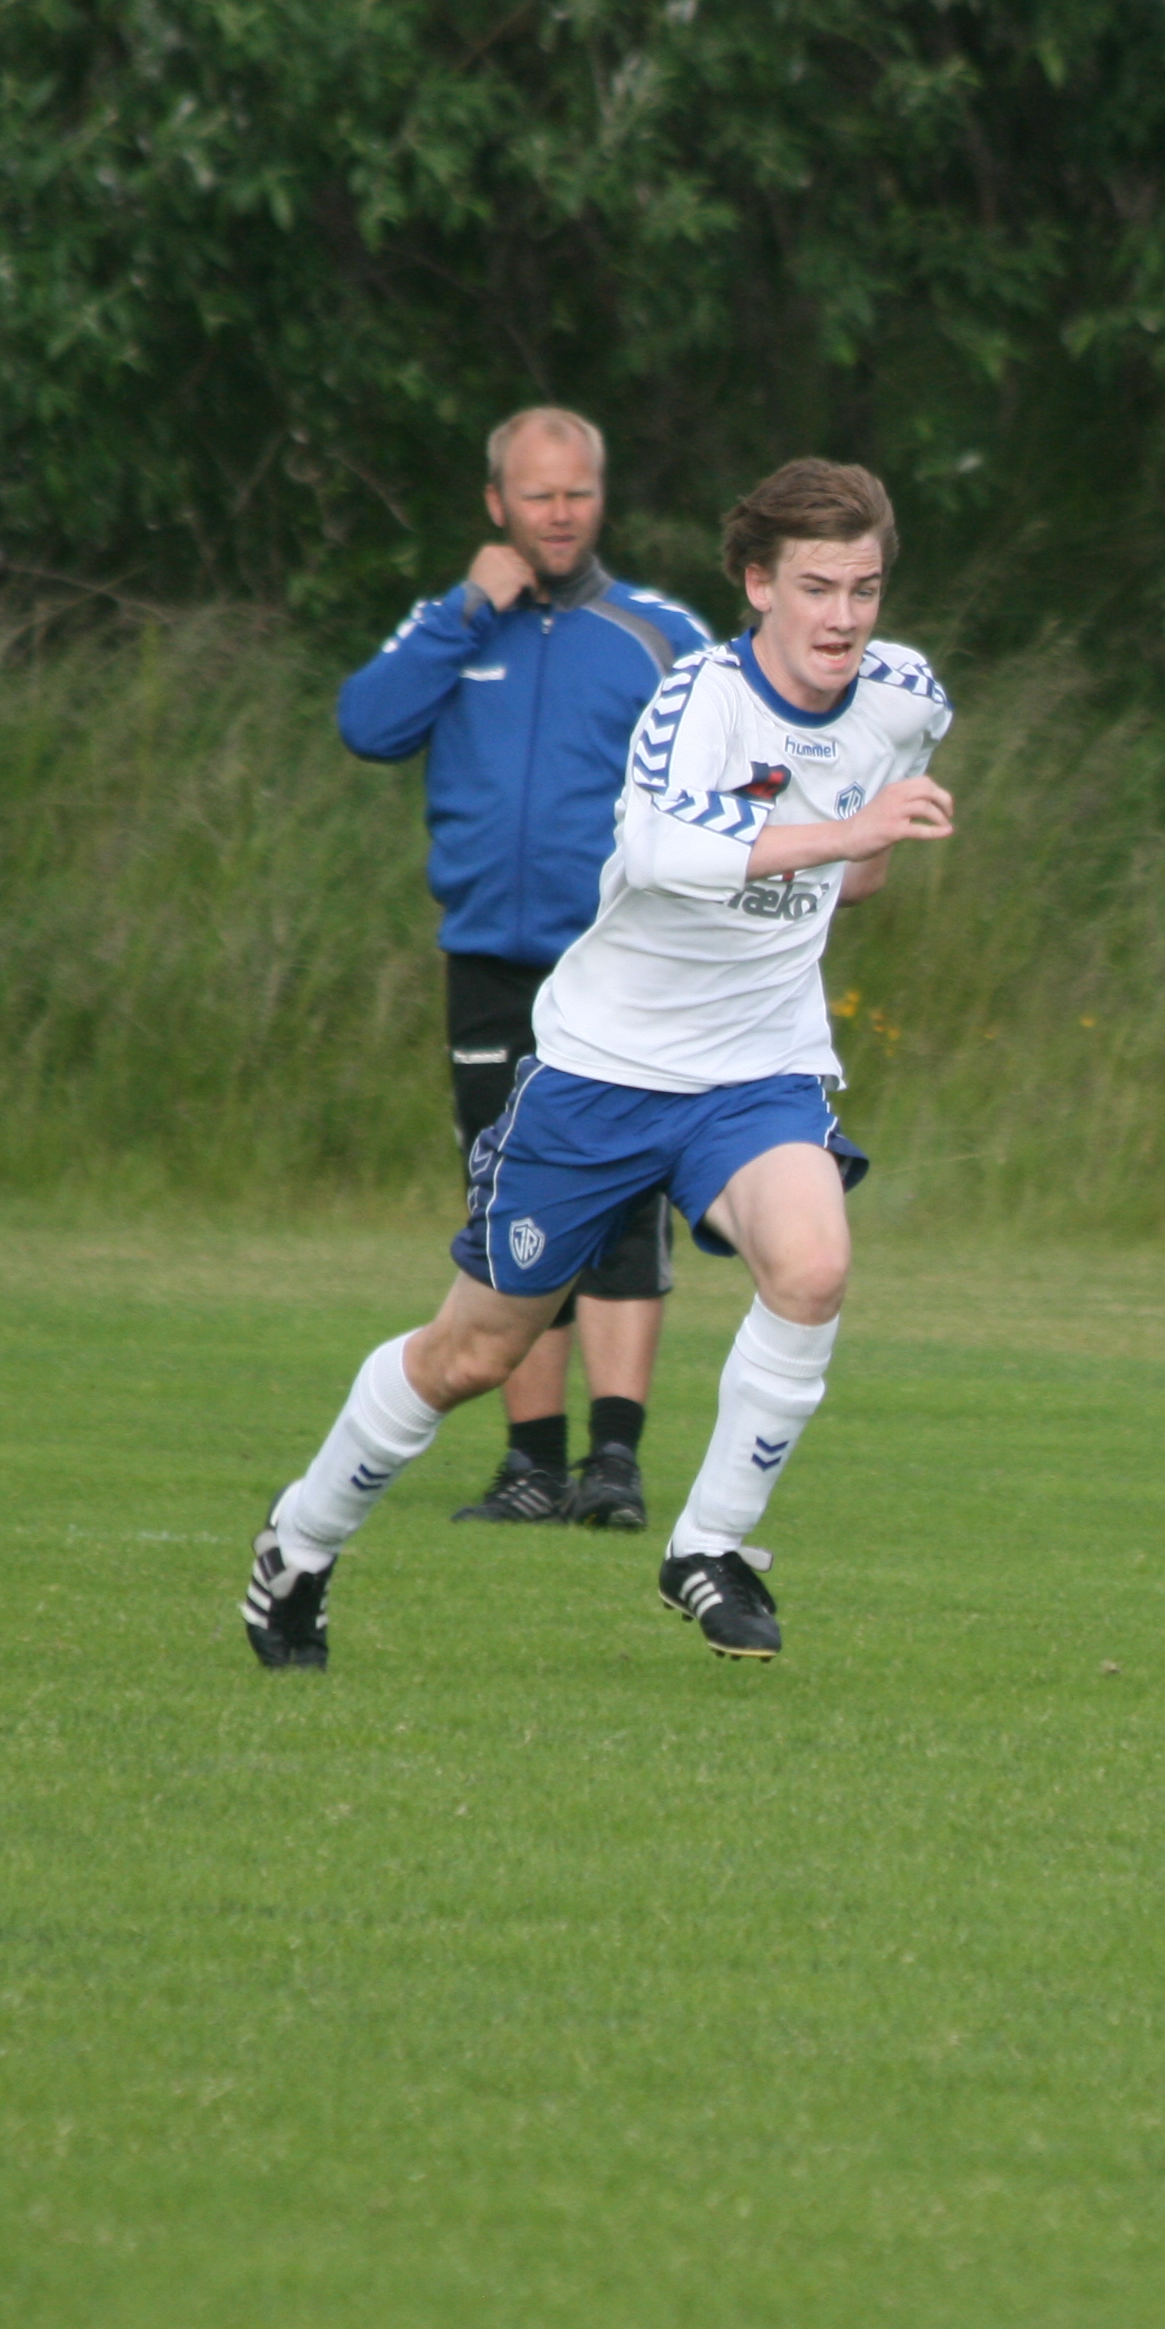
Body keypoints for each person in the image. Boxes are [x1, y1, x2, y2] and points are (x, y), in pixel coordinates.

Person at [247, 459, 955, 1668]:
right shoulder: (697, 700)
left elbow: (867, 855)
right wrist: (846, 833)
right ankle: (300, 1543)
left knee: (814, 1268)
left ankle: (709, 1548)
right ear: (757, 585)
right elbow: (671, 853)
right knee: (474, 1353)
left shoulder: (903, 695)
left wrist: (856, 849)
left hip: (757, 1068)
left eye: (866, 589)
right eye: (817, 588)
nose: (844, 617)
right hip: (603, 1072)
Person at [335, 406, 710, 1530]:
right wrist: (466, 610)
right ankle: (531, 1466)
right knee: (513, 1205)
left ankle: (615, 1464)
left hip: (624, 966)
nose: (560, 514)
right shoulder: (451, 625)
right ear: (497, 503)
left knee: (626, 1200)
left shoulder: (658, 633)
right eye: (538, 495)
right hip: (490, 966)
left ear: (603, 498)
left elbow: (727, 773)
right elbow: (368, 724)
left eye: (578, 492)